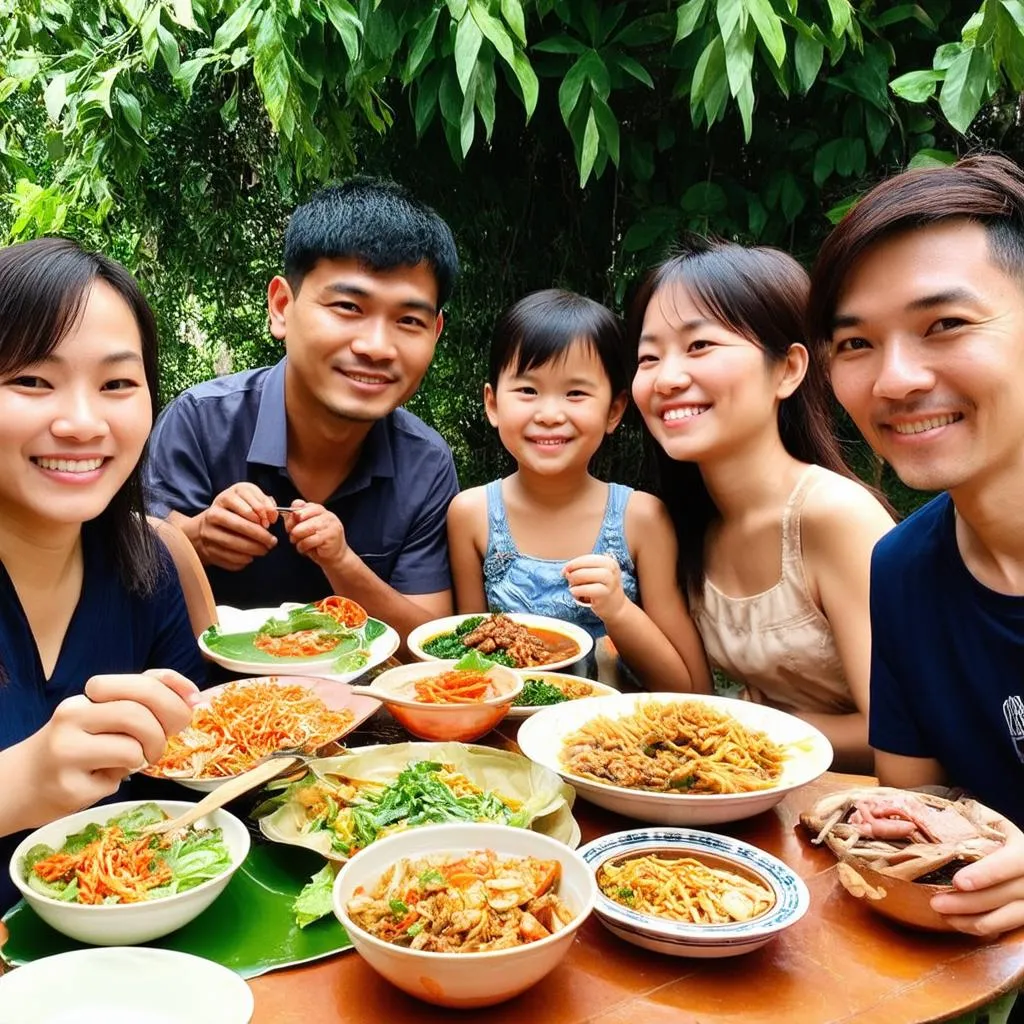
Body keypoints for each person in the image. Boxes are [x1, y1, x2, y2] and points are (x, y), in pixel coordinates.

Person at [809, 153, 1024, 937]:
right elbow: (911, 813)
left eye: (945, 325)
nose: (895, 380)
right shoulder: (901, 568)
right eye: (857, 343)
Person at [144, 179, 461, 637]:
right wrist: (199, 538)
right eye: (349, 306)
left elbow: (428, 646)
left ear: (434, 333)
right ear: (281, 307)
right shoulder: (199, 424)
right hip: (204, 701)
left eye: (408, 320)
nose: (376, 347)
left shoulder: (426, 464)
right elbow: (127, 582)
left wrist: (343, 564)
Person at [629, 241, 894, 773]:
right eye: (648, 356)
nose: (667, 377)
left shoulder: (834, 517)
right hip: (752, 799)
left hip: (863, 818)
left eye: (700, 345)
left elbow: (901, 730)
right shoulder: (693, 522)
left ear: (788, 370)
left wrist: (730, 725)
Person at [0, 238, 205, 914]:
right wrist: (21, 782)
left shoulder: (149, 571)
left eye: (117, 383)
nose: (83, 423)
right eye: (32, 380)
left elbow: (186, 794)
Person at [446, 289, 710, 691]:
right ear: (493, 403)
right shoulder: (472, 515)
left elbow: (691, 688)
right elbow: (471, 666)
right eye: (527, 391)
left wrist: (618, 609)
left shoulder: (640, 518)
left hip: (614, 741)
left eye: (575, 393)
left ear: (614, 410)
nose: (550, 415)